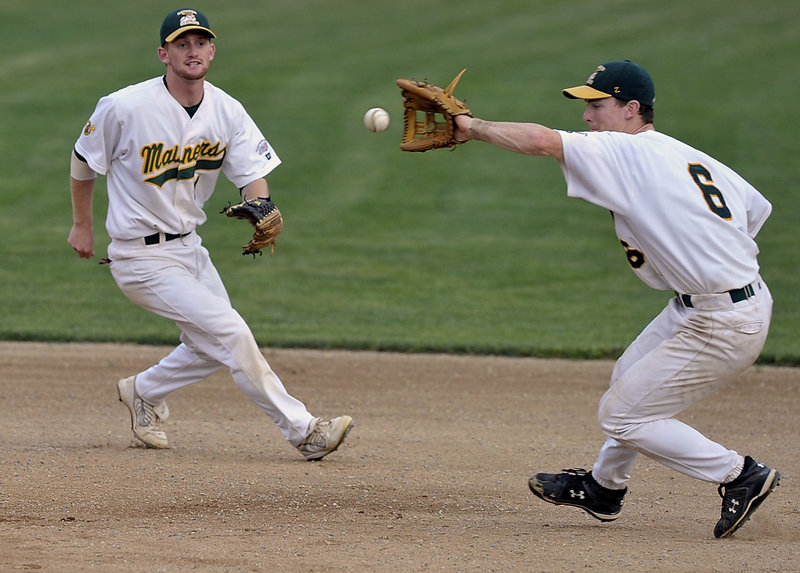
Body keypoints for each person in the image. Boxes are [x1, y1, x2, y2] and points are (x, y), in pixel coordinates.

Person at [453, 59, 779, 538]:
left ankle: (739, 474)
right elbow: (755, 211)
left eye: (596, 105)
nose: (587, 117)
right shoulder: (687, 156)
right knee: (628, 377)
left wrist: (471, 127)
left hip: (723, 320)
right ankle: (605, 489)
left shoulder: (624, 151)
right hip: (715, 303)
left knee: (622, 414)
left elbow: (542, 140)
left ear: (631, 109)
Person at [67, 8, 353, 461]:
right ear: (164, 54)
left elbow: (253, 173)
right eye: (182, 44)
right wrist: (82, 224)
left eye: (200, 43)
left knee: (210, 345)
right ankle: (304, 431)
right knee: (231, 331)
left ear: (212, 50)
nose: (192, 51)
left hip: (191, 250)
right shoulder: (124, 107)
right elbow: (83, 161)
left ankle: (142, 391)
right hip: (139, 259)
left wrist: (262, 207)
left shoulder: (226, 109)